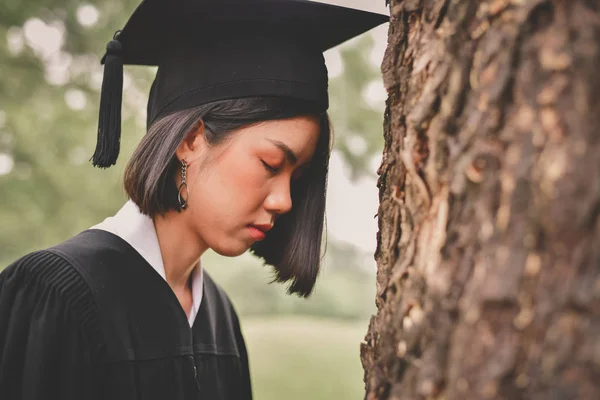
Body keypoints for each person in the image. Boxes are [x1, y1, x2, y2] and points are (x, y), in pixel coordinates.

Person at [0, 0, 387, 399]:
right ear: (190, 140)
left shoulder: (219, 319)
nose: (286, 201)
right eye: (271, 163)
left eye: (298, 177)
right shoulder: (55, 293)